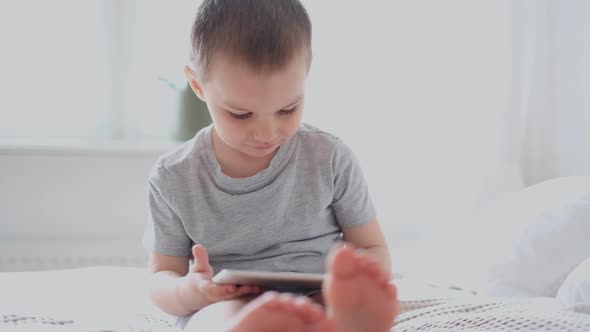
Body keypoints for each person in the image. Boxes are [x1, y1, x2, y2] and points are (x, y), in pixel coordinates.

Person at [142, 0, 399, 331]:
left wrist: (357, 280)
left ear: (306, 74)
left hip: (315, 294)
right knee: (216, 322)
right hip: (225, 302)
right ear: (197, 85)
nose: (267, 133)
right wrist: (191, 291)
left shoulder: (330, 156)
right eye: (241, 114)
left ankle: (336, 322)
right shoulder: (173, 177)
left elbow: (371, 247)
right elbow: (161, 277)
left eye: (288, 109)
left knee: (331, 309)